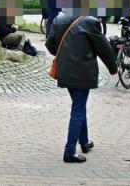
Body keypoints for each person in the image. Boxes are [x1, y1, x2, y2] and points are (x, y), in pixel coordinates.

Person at [45, 13, 117, 163]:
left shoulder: (59, 19)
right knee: (78, 108)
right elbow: (104, 48)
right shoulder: (91, 22)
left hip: (65, 70)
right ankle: (69, 151)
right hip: (83, 71)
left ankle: (84, 142)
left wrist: (65, 54)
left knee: (79, 105)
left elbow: (50, 44)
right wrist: (113, 68)